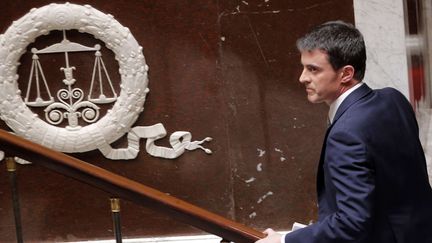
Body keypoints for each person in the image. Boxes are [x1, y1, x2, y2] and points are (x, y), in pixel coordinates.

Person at [256, 21, 432, 243]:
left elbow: (351, 223)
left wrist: (285, 241)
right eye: (304, 67)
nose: (302, 78)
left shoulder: (346, 134)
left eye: (313, 69)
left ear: (346, 73)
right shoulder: (393, 99)